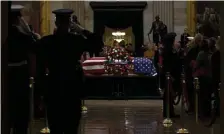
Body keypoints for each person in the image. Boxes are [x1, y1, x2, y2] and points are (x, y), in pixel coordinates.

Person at [36, 9, 102, 134]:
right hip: (72, 86)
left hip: (53, 85)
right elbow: (98, 42)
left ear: (56, 23)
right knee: (71, 126)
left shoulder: (47, 41)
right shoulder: (76, 40)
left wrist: (41, 91)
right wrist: (82, 30)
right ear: (70, 24)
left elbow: (40, 67)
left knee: (55, 126)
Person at [8, 5, 36, 134]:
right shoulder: (24, 36)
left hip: (6, 76)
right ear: (18, 20)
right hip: (20, 76)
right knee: (21, 114)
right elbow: (32, 54)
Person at [162, 32, 181, 118]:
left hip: (171, 74)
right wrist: (170, 75)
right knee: (169, 94)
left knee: (170, 95)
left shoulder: (169, 49)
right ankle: (168, 112)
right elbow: (168, 64)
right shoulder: (168, 50)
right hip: (170, 75)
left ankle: (170, 111)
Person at [185, 33, 202, 113]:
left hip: (195, 73)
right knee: (192, 91)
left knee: (193, 91)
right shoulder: (193, 49)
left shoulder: (195, 49)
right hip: (193, 73)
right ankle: (193, 107)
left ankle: (194, 108)